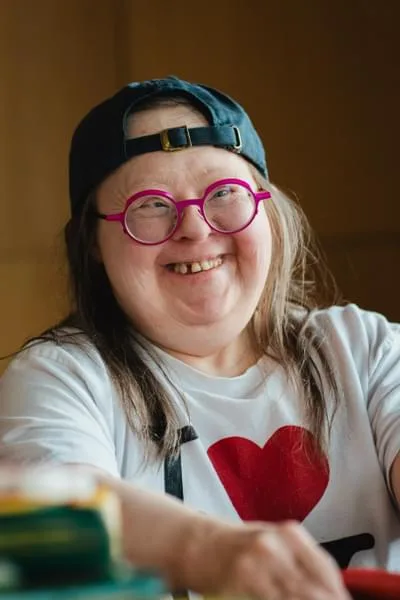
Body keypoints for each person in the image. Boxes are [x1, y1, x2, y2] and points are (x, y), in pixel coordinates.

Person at [1, 75, 399, 599]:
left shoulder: (362, 346)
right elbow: (62, 513)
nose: (194, 228)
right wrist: (208, 551)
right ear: (92, 243)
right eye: (150, 204)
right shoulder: (62, 376)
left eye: (225, 194)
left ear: (270, 212)